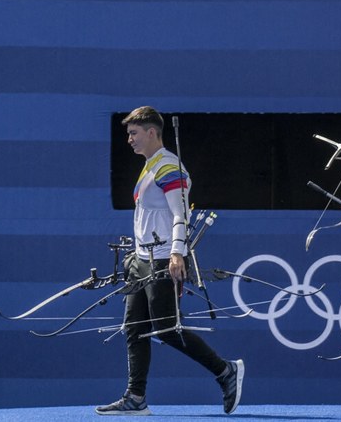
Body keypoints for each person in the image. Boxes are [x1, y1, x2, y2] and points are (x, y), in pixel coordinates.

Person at [95, 106, 244, 416]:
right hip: (142, 260)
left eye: (134, 133)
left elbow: (181, 215)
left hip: (163, 260)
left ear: (152, 133)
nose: (130, 140)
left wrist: (177, 253)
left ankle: (225, 370)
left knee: (165, 329)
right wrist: (135, 255)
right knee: (133, 328)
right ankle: (136, 398)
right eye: (128, 134)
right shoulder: (150, 166)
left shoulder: (168, 166)